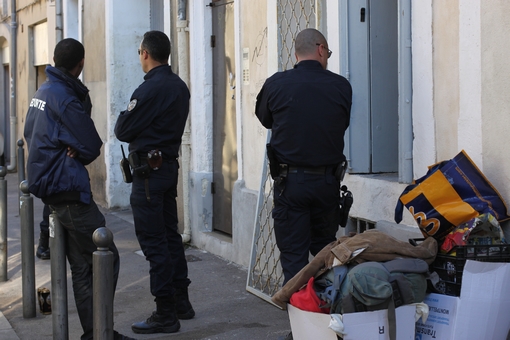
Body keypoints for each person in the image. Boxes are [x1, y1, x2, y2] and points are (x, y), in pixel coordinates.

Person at [23, 38, 133, 340]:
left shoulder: (43, 91)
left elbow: (29, 132)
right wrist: (72, 146)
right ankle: (101, 331)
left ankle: (95, 333)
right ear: (80, 64)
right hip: (68, 190)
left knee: (84, 268)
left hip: (54, 189)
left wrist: (68, 143)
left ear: (55, 60)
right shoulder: (65, 98)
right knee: (106, 256)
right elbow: (92, 144)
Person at [255, 28, 352, 285]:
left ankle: (299, 323)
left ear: (296, 53)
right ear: (320, 49)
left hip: (291, 185)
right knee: (326, 256)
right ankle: (326, 317)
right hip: (326, 185)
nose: (327, 56)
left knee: (294, 260)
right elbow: (342, 123)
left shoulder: (276, 84)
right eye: (328, 52)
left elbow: (265, 119)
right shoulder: (341, 86)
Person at [114, 30, 194, 335]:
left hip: (148, 174)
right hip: (167, 168)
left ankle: (164, 313)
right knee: (171, 238)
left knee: (154, 242)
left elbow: (123, 128)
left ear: (145, 54)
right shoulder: (179, 86)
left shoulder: (148, 90)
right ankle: (181, 302)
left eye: (139, 52)